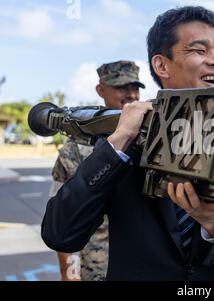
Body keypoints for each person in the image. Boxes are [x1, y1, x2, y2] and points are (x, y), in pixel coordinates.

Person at [41, 6, 214, 281]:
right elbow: (60, 233)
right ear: (162, 65)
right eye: (199, 51)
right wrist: (117, 143)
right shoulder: (121, 144)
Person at [49, 60, 144, 281]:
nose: (131, 94)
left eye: (135, 87)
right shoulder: (77, 147)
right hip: (98, 270)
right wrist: (69, 274)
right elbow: (64, 212)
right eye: (121, 87)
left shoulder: (148, 137)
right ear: (101, 90)